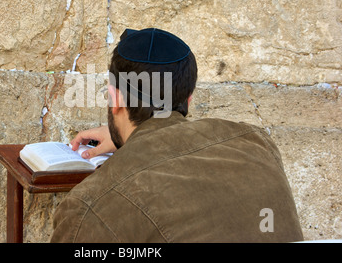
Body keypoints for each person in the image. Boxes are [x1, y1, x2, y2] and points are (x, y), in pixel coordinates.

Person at [50, 28, 304, 242]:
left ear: (115, 98)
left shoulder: (87, 208)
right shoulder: (255, 141)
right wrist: (132, 140)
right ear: (188, 98)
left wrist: (133, 138)